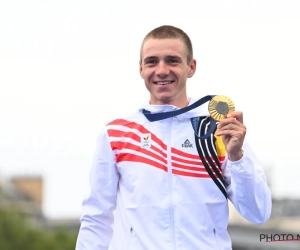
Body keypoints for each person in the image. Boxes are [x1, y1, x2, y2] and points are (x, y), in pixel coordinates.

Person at [75, 25, 272, 250]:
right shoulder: (116, 134)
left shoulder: (218, 130)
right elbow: (96, 217)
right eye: (152, 61)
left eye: (172, 60)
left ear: (191, 67)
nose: (161, 70)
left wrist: (237, 157)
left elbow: (258, 213)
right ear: (140, 69)